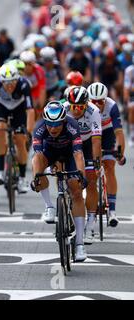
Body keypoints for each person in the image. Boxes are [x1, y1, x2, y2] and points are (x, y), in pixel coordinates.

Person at [31, 101, 88, 262]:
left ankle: (79, 244)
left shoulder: (72, 125)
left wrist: (81, 176)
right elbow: (38, 156)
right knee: (37, 162)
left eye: (56, 124)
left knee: (76, 191)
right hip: (49, 152)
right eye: (50, 124)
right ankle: (49, 206)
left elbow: (78, 155)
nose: (53, 128)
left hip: (70, 154)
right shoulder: (40, 127)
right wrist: (37, 177)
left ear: (63, 121)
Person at [85, 82, 126, 242]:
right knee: (90, 174)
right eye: (93, 101)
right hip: (89, 135)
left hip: (107, 133)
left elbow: (119, 132)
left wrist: (120, 153)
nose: (97, 104)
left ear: (106, 99)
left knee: (109, 166)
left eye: (100, 101)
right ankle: (90, 214)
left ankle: (112, 211)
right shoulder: (85, 107)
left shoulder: (112, 106)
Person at [0, 63, 34, 193]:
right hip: (1, 108)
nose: (9, 85)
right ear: (1, 81)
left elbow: (30, 111)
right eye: (6, 83)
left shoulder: (24, 84)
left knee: (20, 140)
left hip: (19, 109)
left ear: (17, 79)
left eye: (12, 81)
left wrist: (28, 131)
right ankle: (0, 171)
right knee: (0, 129)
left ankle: (22, 178)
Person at [64, 86, 102, 245]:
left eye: (80, 106)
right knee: (64, 176)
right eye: (74, 106)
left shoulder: (93, 111)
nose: (77, 110)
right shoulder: (63, 109)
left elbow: (96, 140)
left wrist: (96, 162)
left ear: (86, 105)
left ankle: (90, 223)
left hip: (86, 143)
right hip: (68, 143)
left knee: (91, 182)